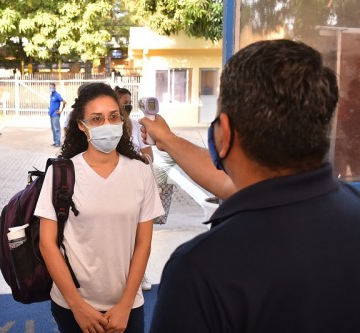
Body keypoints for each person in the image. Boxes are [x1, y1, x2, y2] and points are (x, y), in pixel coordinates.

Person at [141, 39, 360, 332]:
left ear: (226, 132)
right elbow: (236, 185)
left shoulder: (201, 269)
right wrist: (167, 139)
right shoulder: (351, 204)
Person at [35, 82, 164, 333]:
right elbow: (47, 244)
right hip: (72, 303)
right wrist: (77, 305)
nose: (107, 124)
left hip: (127, 304)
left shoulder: (140, 172)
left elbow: (143, 244)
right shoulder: (62, 173)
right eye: (96, 119)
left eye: (113, 116)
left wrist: (126, 304)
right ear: (82, 126)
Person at [115, 86, 154, 292]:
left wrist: (135, 160)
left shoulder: (137, 126)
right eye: (124, 102)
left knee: (139, 235)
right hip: (114, 191)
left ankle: (140, 273)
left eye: (130, 102)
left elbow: (149, 157)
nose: (128, 105)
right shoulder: (111, 128)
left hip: (135, 189)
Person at [48, 82, 66, 147]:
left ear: (55, 87)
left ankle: (58, 142)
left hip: (55, 115)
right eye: (50, 87)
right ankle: (55, 141)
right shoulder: (51, 95)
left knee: (56, 129)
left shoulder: (57, 95)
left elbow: (64, 101)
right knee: (53, 129)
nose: (51, 89)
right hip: (51, 114)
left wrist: (61, 110)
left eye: (52, 87)